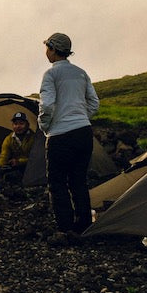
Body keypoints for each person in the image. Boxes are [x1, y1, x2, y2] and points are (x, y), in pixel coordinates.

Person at [38, 32, 99, 237]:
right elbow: (94, 103)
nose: (46, 52)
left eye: (47, 47)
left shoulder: (51, 74)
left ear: (54, 49)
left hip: (60, 135)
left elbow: (47, 105)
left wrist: (45, 126)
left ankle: (65, 227)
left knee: (57, 182)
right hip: (84, 133)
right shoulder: (81, 73)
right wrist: (81, 117)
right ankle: (83, 224)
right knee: (78, 180)